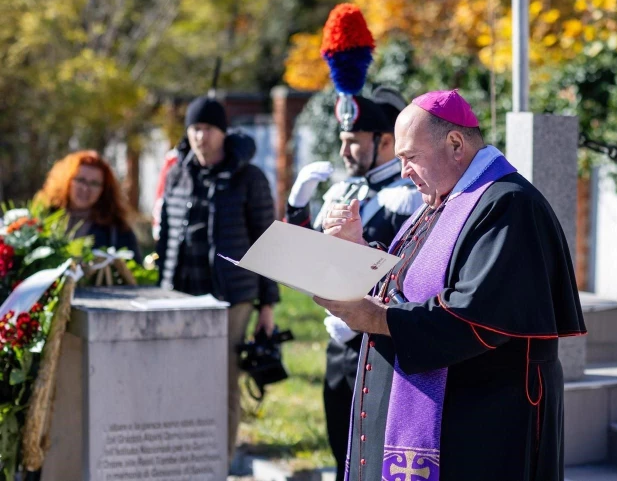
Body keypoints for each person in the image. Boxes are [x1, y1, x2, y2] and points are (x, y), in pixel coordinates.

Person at [314, 90, 587, 481]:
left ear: (455, 144)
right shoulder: (444, 201)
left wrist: (376, 319)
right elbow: (406, 284)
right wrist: (356, 250)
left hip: (481, 425)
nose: (404, 171)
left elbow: (476, 314)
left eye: (410, 157)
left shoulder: (508, 205)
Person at [285, 86, 422, 481]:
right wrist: (297, 209)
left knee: (373, 451)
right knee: (338, 444)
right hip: (338, 340)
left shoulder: (408, 197)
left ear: (383, 142)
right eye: (342, 141)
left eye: (353, 141)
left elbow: (407, 272)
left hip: (377, 336)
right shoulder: (343, 189)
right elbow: (307, 259)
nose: (344, 151)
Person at [156, 95, 280, 462]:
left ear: (223, 132)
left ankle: (219, 462)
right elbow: (165, 233)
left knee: (222, 379)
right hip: (179, 292)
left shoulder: (248, 175)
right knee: (178, 376)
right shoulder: (178, 172)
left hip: (232, 296)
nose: (200, 136)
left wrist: (267, 306)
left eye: (208, 128)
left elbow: (266, 240)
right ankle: (182, 457)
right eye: (194, 128)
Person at [35, 150, 141, 262]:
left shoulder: (117, 230)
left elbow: (135, 274)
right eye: (81, 180)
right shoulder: (43, 219)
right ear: (68, 180)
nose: (85, 189)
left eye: (94, 183)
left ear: (104, 189)